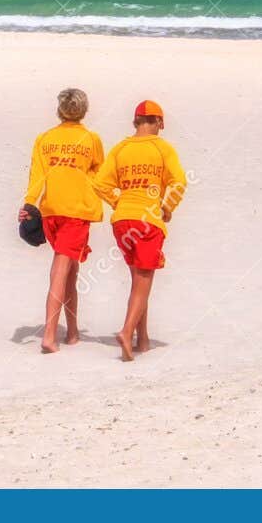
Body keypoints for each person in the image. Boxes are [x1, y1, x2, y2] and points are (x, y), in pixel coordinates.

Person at [93, 99, 187, 362]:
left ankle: (142, 339)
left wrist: (118, 202)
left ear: (136, 122)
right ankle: (126, 332)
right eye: (160, 123)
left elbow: (100, 183)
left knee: (138, 280)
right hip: (147, 220)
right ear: (157, 122)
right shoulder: (161, 148)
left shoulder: (121, 149)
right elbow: (179, 181)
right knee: (144, 281)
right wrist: (167, 207)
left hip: (122, 220)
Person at [19, 88, 105, 354]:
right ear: (84, 110)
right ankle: (49, 335)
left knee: (70, 271)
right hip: (75, 212)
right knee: (60, 270)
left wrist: (30, 203)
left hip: (51, 210)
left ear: (60, 110)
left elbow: (37, 175)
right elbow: (100, 175)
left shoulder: (45, 139)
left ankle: (73, 332)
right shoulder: (91, 139)